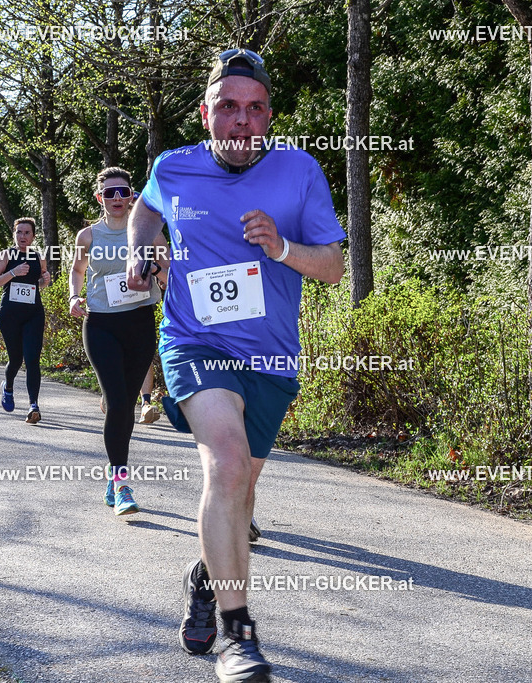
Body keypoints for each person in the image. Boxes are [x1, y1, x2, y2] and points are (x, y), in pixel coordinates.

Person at [126, 48, 345, 683]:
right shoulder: (174, 168)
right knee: (223, 464)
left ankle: (206, 574)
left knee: (239, 495)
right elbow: (145, 208)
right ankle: (237, 635)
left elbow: (332, 266)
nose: (241, 121)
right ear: (206, 114)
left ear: (269, 116)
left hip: (271, 356)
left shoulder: (299, 172)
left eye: (254, 109)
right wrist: (146, 250)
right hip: (193, 342)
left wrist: (282, 247)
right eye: (228, 108)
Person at [70, 167, 169, 516]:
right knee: (117, 404)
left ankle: (114, 473)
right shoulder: (88, 235)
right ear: (100, 198)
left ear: (132, 196)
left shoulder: (150, 231)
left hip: (140, 322)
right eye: (109, 193)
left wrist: (154, 269)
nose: (116, 198)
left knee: (126, 405)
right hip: (100, 325)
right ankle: (121, 482)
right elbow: (78, 270)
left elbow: (169, 272)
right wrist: (73, 296)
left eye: (122, 192)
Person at [0, 217, 51, 424]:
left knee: (32, 359)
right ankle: (8, 386)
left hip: (33, 314)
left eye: (27, 233)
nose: (23, 236)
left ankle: (34, 406)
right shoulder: (6, 255)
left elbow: (38, 284)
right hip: (10, 315)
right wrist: (12, 273)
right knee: (16, 359)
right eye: (19, 232)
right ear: (14, 235)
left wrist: (45, 281)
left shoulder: (38, 257)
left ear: (33, 236)